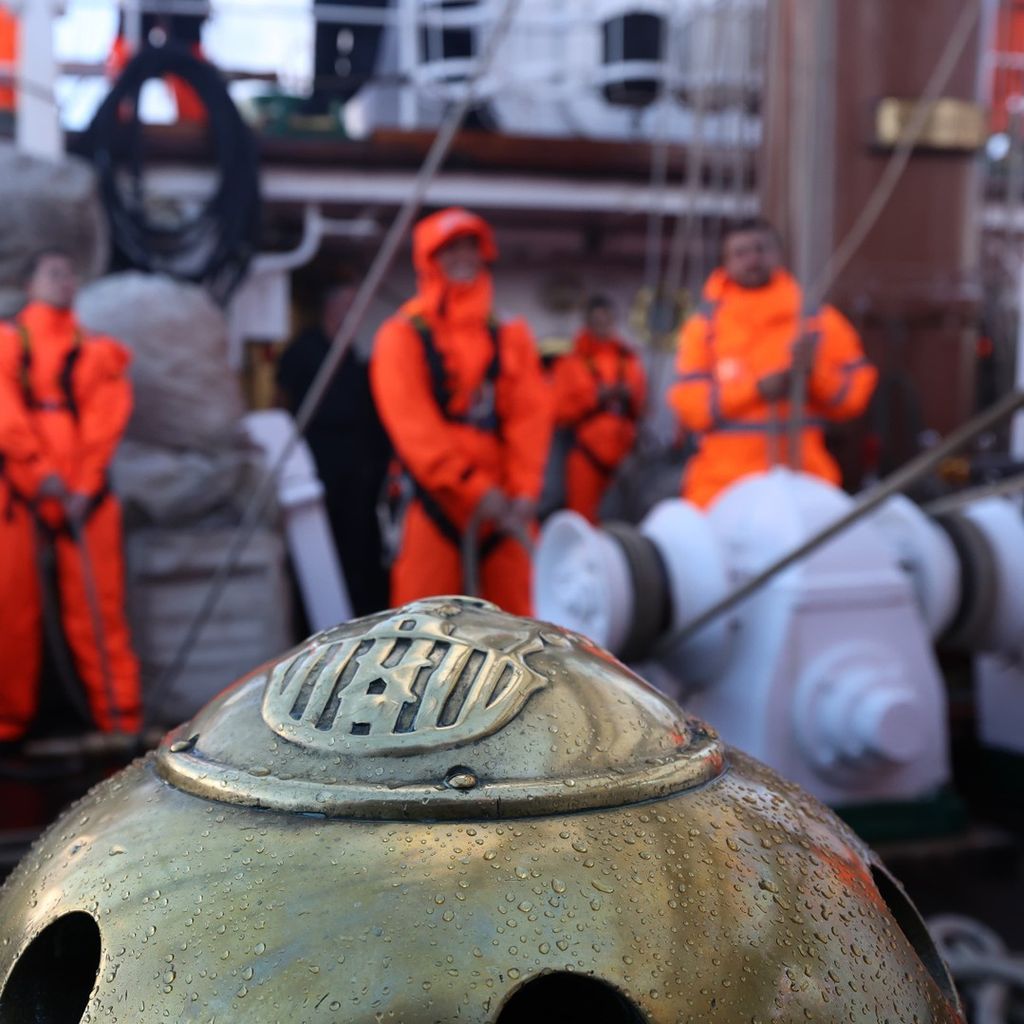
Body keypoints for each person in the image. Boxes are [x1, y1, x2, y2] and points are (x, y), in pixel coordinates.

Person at [370, 207, 552, 615]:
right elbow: (414, 429)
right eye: (449, 249)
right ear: (428, 260)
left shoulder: (509, 334)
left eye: (470, 247)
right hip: (436, 505)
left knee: (523, 634)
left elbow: (531, 414)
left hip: (506, 509)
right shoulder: (401, 336)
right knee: (421, 639)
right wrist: (473, 488)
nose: (463, 258)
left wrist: (524, 491)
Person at [0, 250, 142, 744]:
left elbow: (106, 420)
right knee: (12, 613)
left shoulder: (96, 351)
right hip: (20, 499)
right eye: (53, 273)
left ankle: (119, 721)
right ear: (29, 281)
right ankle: (9, 726)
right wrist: (38, 477)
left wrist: (83, 486)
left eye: (69, 272)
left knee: (100, 610)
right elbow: (7, 414)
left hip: (87, 498)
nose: (65, 281)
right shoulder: (9, 343)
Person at [668, 218, 877, 507]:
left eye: (760, 249)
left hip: (803, 481)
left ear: (778, 255)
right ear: (725, 263)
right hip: (722, 486)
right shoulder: (704, 328)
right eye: (741, 253)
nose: (752, 259)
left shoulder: (818, 321)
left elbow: (854, 399)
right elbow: (691, 408)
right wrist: (756, 389)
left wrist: (815, 373)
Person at [276, 280, 391, 617]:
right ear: (330, 307)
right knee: (322, 546)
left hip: (358, 471)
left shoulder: (352, 356)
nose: (353, 315)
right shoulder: (304, 351)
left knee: (360, 544)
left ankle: (360, 610)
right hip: (318, 465)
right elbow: (281, 402)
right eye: (347, 306)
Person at [551, 295, 646, 523]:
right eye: (597, 320)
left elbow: (642, 407)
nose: (602, 325)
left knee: (624, 522)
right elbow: (558, 411)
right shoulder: (571, 363)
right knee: (583, 521)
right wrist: (594, 398)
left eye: (607, 320)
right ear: (588, 322)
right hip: (586, 456)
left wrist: (628, 396)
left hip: (624, 456)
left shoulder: (629, 360)